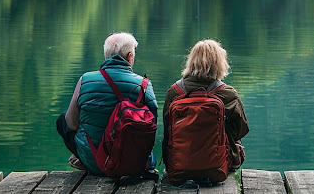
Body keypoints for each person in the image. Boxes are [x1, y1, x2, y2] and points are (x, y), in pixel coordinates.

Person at [56, 32, 158, 176]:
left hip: (95, 162)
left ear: (107, 56)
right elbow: (151, 129)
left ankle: (84, 158)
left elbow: (71, 124)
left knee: (63, 120)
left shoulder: (85, 80)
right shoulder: (144, 85)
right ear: (130, 57)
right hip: (132, 162)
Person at [162, 39, 249, 180]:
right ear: (219, 63)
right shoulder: (228, 94)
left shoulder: (174, 92)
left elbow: (167, 129)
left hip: (177, 165)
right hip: (219, 166)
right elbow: (241, 130)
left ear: (191, 61)